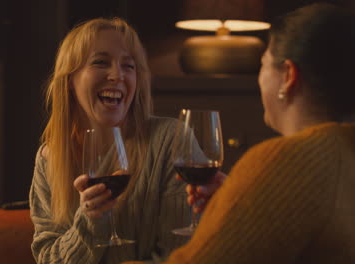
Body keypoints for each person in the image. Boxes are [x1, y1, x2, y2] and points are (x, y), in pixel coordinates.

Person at [123, 2, 355, 264]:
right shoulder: (344, 150)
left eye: (263, 63)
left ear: (288, 75)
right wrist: (234, 202)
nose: (260, 77)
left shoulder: (282, 160)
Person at [29, 17, 212, 264]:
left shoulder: (171, 140)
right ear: (70, 80)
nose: (118, 75)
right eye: (100, 62)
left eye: (129, 66)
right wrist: (90, 222)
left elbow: (181, 254)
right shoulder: (49, 158)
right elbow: (49, 259)